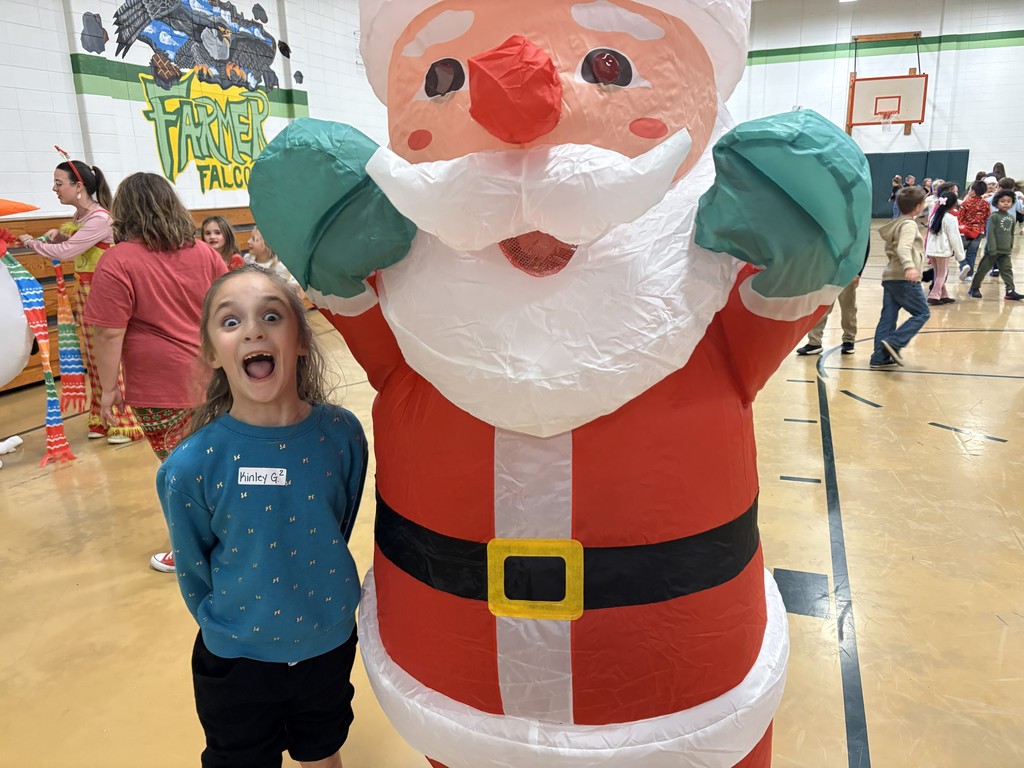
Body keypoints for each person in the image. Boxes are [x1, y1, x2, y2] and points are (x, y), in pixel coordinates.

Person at [157, 265, 368, 768]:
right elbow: (194, 569)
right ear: (213, 352)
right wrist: (237, 624)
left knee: (323, 749)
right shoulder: (191, 465)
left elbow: (338, 521)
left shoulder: (342, 435)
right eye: (231, 321)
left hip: (328, 643)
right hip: (237, 660)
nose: (253, 330)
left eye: (271, 316)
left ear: (301, 340)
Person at [83, 172, 227, 572]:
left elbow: (108, 332)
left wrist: (107, 389)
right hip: (217, 378)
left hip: (161, 387)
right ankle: (233, 536)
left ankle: (194, 550)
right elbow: (228, 309)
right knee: (217, 463)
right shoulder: (205, 254)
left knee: (181, 471)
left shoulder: (119, 260)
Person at [17, 160, 142, 444]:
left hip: (105, 293)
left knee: (111, 357)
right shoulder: (81, 218)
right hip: (86, 291)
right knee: (94, 358)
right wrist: (62, 235)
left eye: (59, 183)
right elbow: (77, 244)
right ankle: (102, 416)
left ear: (79, 187)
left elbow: (65, 252)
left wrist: (30, 243)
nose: (55, 188)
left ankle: (124, 421)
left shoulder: (99, 218)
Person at [870, 186, 930, 369]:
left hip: (891, 276)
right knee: (922, 313)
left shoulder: (896, 223)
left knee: (888, 318)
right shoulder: (909, 225)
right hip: (904, 278)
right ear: (918, 207)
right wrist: (910, 266)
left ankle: (879, 358)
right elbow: (904, 247)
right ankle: (895, 342)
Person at [795, 243, 869, 356]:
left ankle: (849, 340)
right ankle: (814, 342)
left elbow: (864, 246)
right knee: (821, 306)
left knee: (848, 307)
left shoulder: (858, 231)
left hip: (848, 270)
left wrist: (858, 272)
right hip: (827, 269)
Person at [968, 190, 1023, 301]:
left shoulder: (1011, 218)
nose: (1006, 203)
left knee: (1007, 270)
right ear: (996, 203)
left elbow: (1011, 234)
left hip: (1005, 251)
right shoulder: (994, 217)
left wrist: (1010, 247)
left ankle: (1010, 291)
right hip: (992, 250)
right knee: (983, 270)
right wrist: (992, 248)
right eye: (1003, 201)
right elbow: (990, 233)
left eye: (1009, 201)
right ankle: (974, 288)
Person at [924, 192, 965, 305]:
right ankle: (934, 295)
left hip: (932, 250)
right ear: (953, 205)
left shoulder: (934, 216)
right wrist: (960, 255)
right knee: (942, 274)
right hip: (942, 251)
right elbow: (954, 238)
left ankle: (944, 294)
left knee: (937, 273)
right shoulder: (950, 218)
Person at [245, 225, 303, 292]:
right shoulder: (248, 259)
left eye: (253, 239)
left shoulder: (279, 267)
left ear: (267, 245)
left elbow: (286, 291)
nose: (248, 241)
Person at [958, 180, 991, 280]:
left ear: (972, 191)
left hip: (965, 231)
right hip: (978, 232)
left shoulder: (966, 203)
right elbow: (987, 217)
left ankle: (964, 266)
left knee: (959, 251)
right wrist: (985, 230)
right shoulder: (986, 204)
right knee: (972, 253)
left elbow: (959, 217)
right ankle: (969, 275)